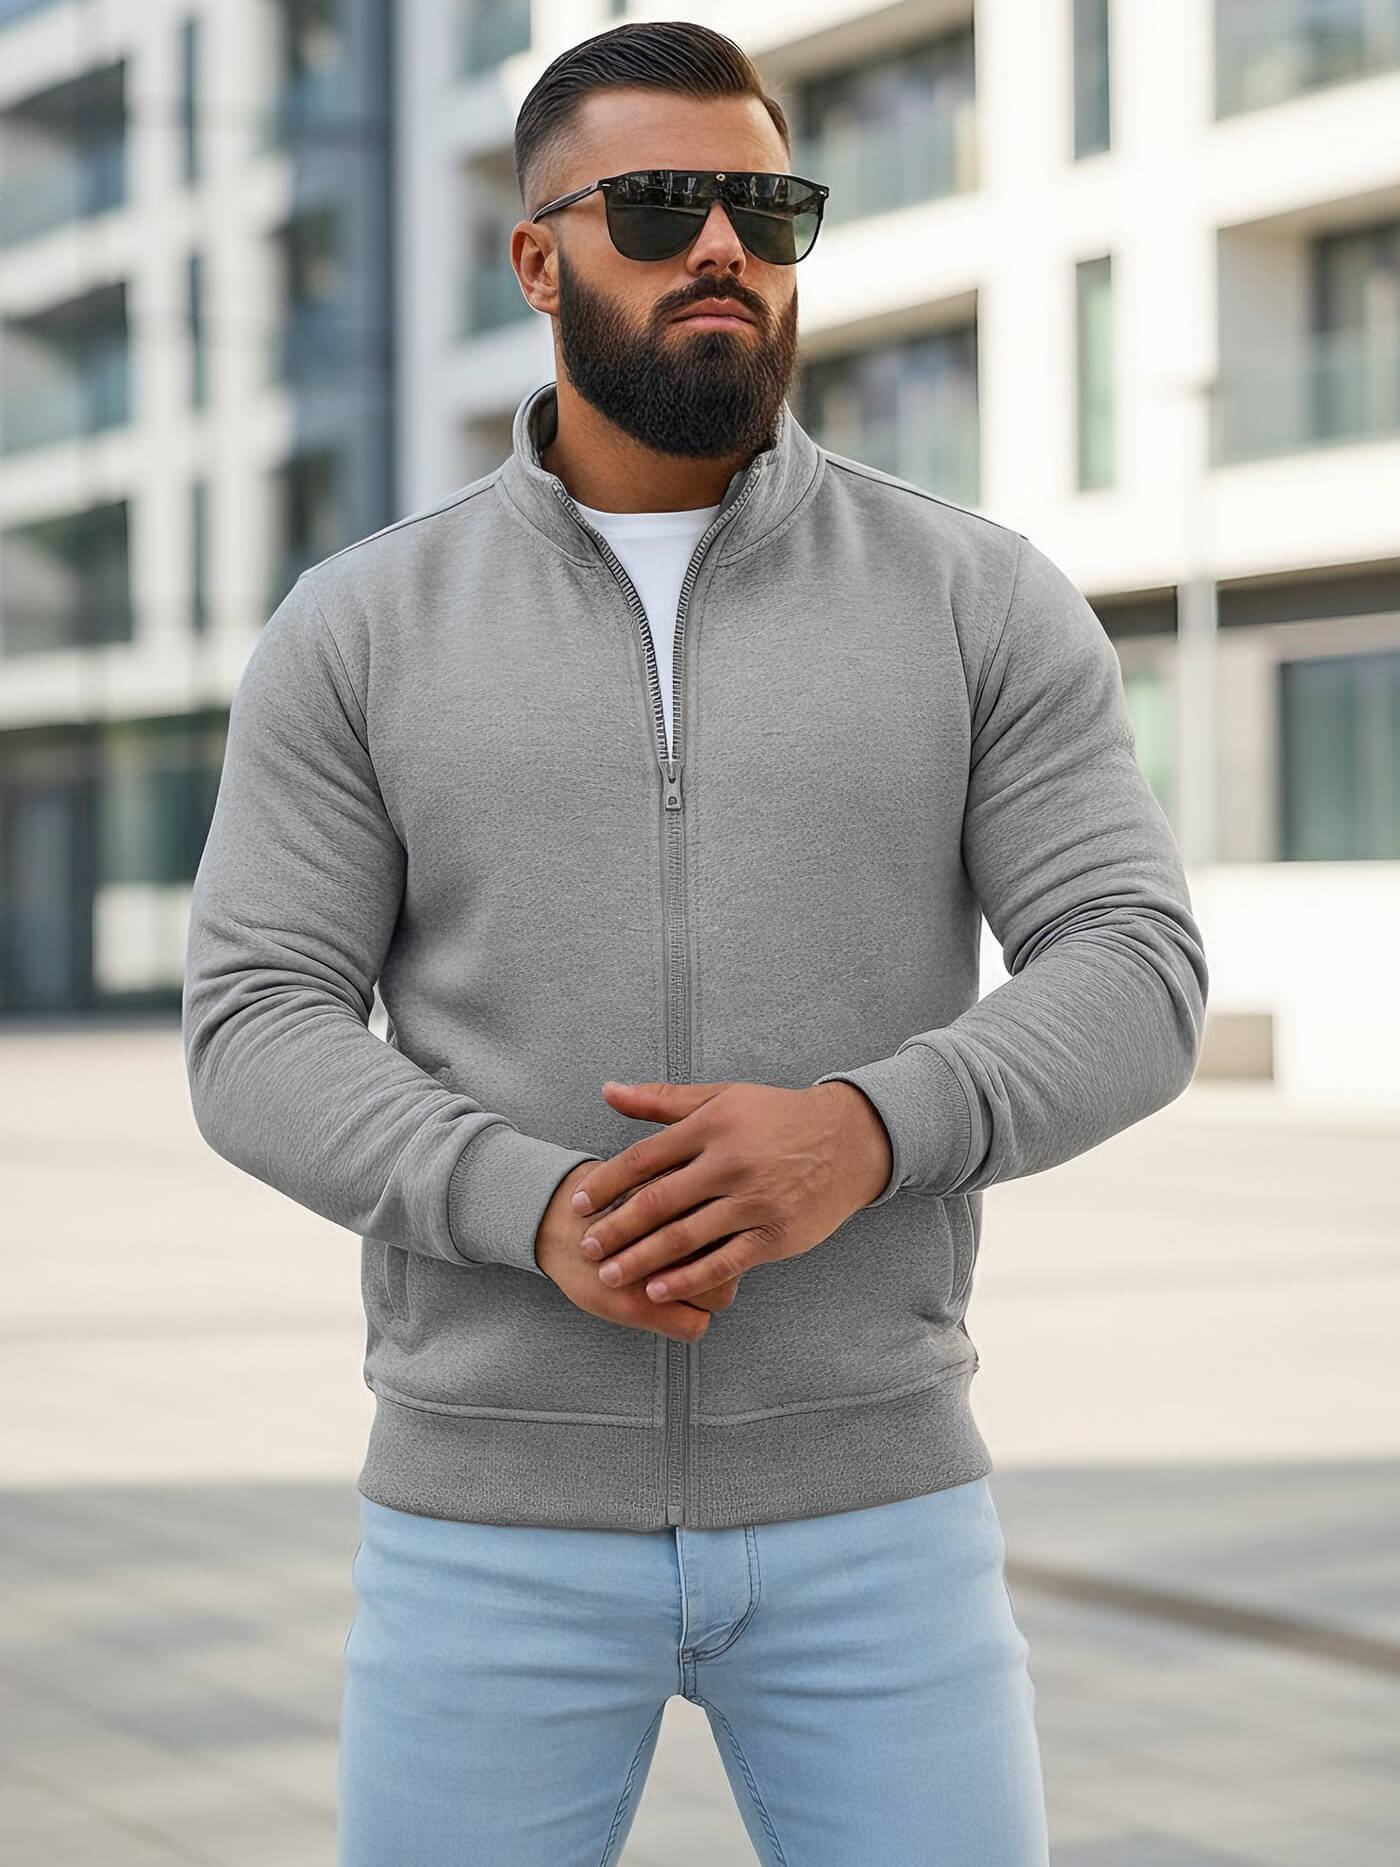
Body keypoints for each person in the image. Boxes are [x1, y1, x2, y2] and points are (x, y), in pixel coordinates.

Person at [181, 20, 1208, 1867]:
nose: (723, 243)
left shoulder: (977, 598)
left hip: (879, 1517)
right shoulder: (360, 625)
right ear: (538, 257)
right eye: (659, 205)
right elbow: (254, 1017)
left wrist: (866, 1132)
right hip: (485, 1531)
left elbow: (1134, 960)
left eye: (765, 205)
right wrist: (528, 1206)